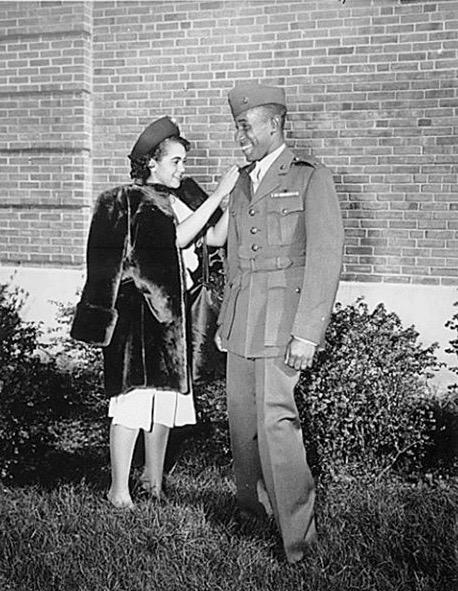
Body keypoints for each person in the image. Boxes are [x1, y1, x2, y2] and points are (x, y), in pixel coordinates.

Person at [71, 116, 238, 509]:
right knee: (132, 402)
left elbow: (213, 236)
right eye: (175, 161)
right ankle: (119, 491)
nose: (182, 169)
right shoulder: (130, 200)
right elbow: (173, 239)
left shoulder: (184, 195)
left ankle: (153, 481)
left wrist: (232, 203)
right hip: (137, 316)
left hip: (172, 315)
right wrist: (218, 195)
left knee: (166, 401)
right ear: (152, 164)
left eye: (183, 161)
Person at [215, 83, 344, 563]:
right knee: (241, 425)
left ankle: (298, 542)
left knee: (276, 425)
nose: (240, 135)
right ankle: (251, 516)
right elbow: (233, 257)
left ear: (273, 124)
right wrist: (225, 319)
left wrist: (308, 331)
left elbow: (326, 258)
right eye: (237, 127)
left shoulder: (311, 177)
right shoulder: (243, 181)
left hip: (284, 323)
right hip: (243, 321)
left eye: (245, 126)